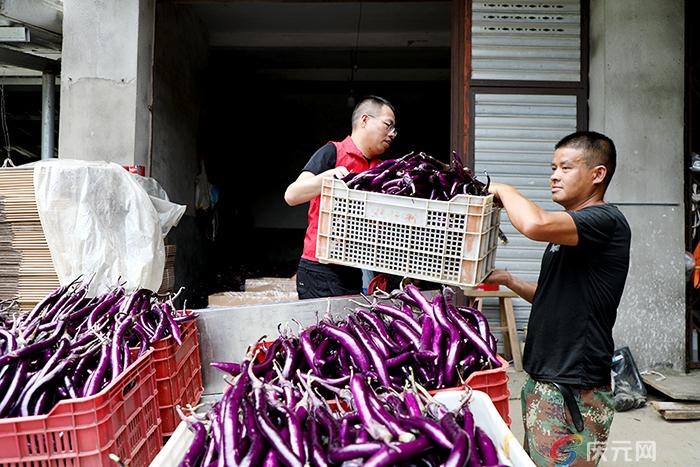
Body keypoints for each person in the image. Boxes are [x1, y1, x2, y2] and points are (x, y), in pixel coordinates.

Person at [484, 131, 631, 466]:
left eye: (565, 167)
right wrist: (510, 280)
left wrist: (505, 190)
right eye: (553, 167)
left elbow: (533, 224)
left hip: (571, 387)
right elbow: (553, 297)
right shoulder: (570, 234)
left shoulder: (605, 221)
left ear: (597, 175)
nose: (554, 175)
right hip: (547, 380)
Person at [284, 95, 397, 299]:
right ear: (365, 120)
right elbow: (292, 195)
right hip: (318, 269)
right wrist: (326, 178)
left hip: (353, 269)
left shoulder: (382, 170)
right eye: (388, 125)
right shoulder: (333, 152)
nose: (392, 134)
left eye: (394, 129)